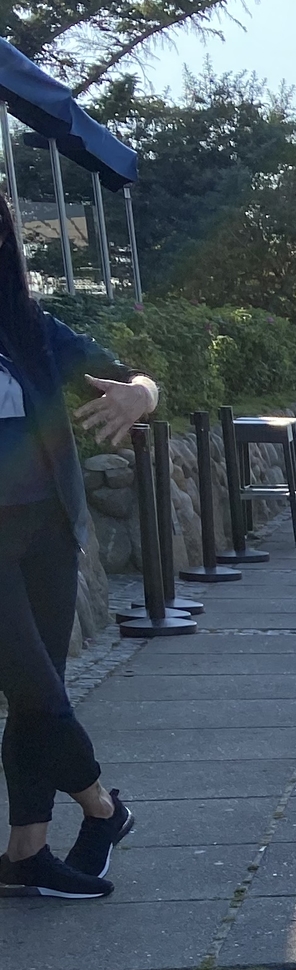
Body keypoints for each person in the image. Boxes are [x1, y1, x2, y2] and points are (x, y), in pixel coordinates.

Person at [0, 191, 156, 899]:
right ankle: (104, 808)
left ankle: (26, 852)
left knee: (41, 693)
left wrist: (141, 396)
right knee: (33, 688)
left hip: (49, 530)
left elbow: (133, 375)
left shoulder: (28, 329)